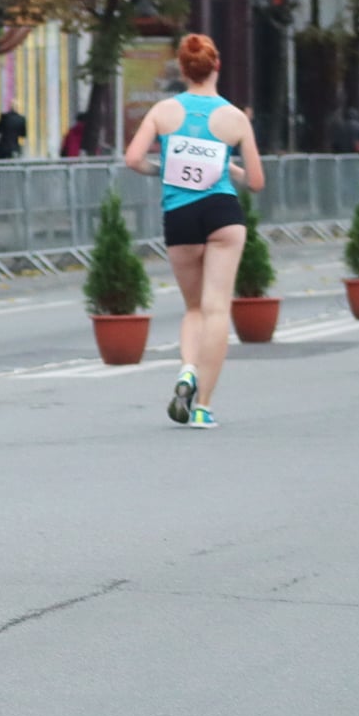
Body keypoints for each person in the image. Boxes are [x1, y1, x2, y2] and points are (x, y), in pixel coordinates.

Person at [123, 34, 264, 429]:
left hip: (180, 215)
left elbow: (133, 159)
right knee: (217, 308)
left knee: (194, 308)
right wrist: (227, 168)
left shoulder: (164, 111)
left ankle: (187, 368)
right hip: (222, 212)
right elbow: (256, 181)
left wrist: (162, 170)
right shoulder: (235, 117)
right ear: (216, 66)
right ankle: (203, 406)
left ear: (183, 70)